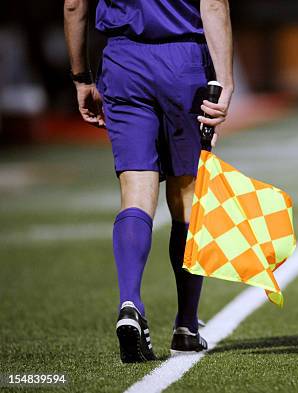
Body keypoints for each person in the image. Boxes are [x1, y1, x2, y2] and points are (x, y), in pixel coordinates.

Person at [63, 0, 234, 363]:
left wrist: (81, 77)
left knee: (136, 190)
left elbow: (74, 5)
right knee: (187, 194)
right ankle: (187, 325)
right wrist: (227, 80)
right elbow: (214, 5)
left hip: (123, 62)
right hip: (184, 59)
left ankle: (130, 303)